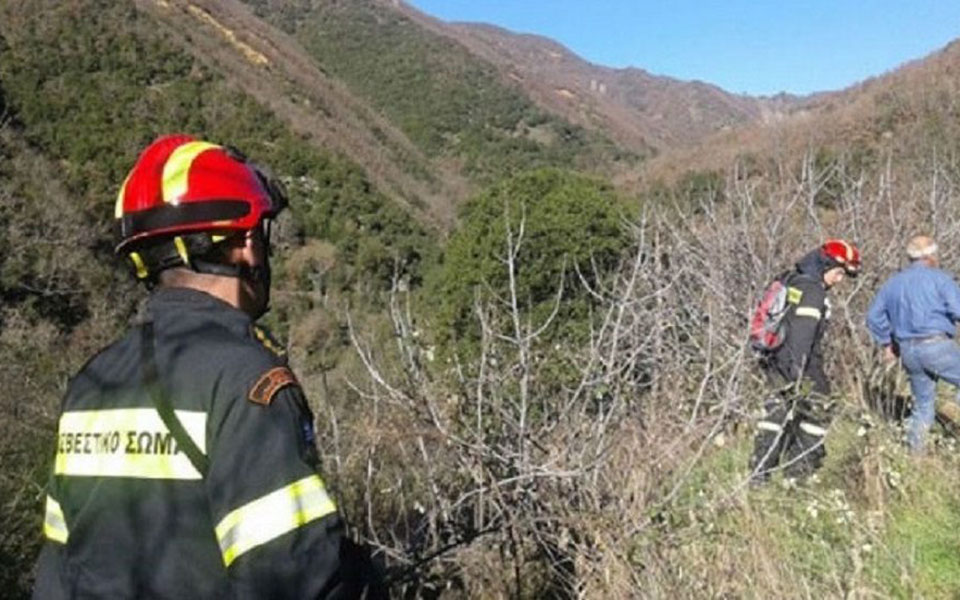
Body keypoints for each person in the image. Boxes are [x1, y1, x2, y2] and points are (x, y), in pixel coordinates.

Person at [33, 135, 382, 599]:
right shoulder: (248, 384)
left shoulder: (90, 384)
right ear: (246, 244)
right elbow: (296, 581)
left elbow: (58, 568)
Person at [749, 239, 861, 484]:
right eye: (839, 273)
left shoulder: (790, 279)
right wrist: (799, 374)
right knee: (818, 414)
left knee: (775, 417)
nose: (839, 280)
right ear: (825, 265)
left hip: (774, 362)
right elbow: (803, 335)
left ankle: (759, 475)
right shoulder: (812, 292)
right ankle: (796, 476)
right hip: (800, 366)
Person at [866, 235, 960, 453]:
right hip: (936, 345)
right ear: (931, 255)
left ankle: (915, 457)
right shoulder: (940, 279)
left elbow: (873, 317)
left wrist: (887, 343)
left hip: (908, 351)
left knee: (923, 406)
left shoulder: (893, 283)